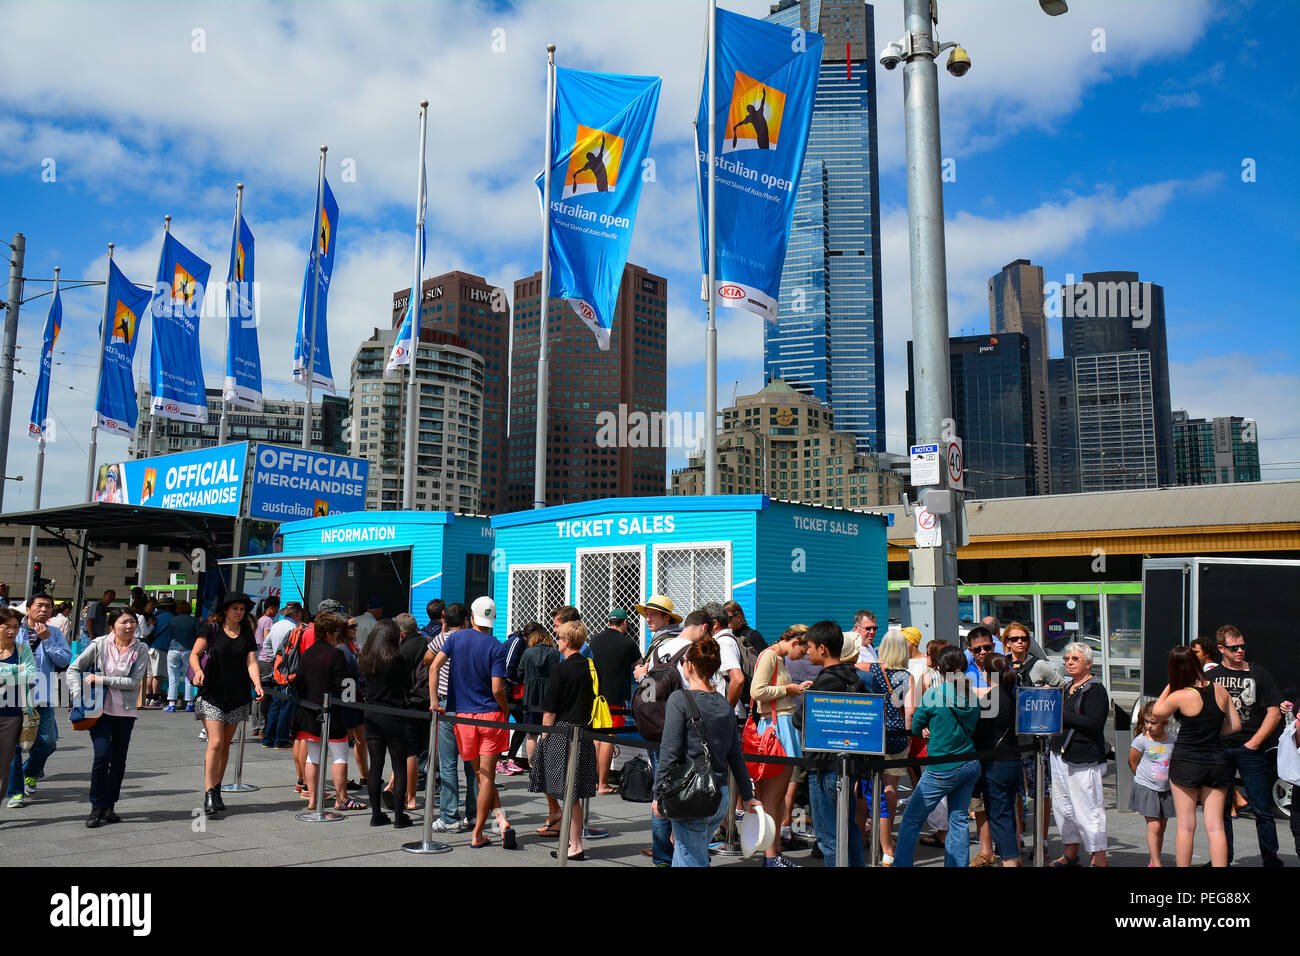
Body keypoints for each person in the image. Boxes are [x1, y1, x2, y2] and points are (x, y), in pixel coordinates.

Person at [652, 636, 762, 867]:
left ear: (689, 665)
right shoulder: (724, 703)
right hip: (720, 794)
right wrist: (748, 795)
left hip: (690, 793)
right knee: (691, 854)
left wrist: (658, 794)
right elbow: (735, 754)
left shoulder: (679, 699)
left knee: (690, 858)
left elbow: (669, 751)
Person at [428, 596, 514, 850]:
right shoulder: (497, 646)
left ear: (472, 617)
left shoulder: (455, 638)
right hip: (490, 716)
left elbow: (433, 667)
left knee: (479, 774)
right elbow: (498, 688)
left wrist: (434, 700)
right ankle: (479, 829)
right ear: (493, 619)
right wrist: (505, 709)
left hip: (462, 716)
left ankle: (500, 819)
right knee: (485, 777)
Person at [893, 646, 981, 867]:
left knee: (912, 819)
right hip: (969, 762)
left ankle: (901, 864)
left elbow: (916, 723)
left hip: (942, 766)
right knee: (959, 820)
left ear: (940, 668)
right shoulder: (971, 694)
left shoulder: (935, 693)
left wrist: (925, 728)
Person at [1153, 645, 1241, 867]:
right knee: (1216, 826)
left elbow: (1157, 712)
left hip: (1187, 761)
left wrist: (1172, 684)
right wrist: (1213, 732)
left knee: (1186, 825)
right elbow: (1236, 725)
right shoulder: (1220, 690)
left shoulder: (1181, 695)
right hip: (1216, 760)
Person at [1209, 624, 1284, 868]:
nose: (1240, 650)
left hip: (1250, 749)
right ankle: (1223, 859)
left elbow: (1274, 711)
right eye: (1234, 647)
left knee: (1262, 808)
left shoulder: (1258, 673)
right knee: (1221, 809)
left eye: (1242, 645)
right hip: (1220, 749)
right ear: (1221, 648)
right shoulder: (1212, 677)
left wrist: (1254, 743)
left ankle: (1271, 860)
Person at [66, 607, 148, 828]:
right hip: (98, 710)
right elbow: (73, 669)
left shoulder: (140, 648)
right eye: (124, 622)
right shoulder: (100, 644)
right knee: (102, 755)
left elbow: (134, 683)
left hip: (125, 712)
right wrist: (77, 694)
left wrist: (100, 679)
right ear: (112, 627)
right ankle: (96, 805)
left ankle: (109, 805)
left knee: (119, 759)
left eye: (132, 622)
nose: (129, 626)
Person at [529, 621, 600, 860]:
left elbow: (549, 709)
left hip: (563, 732)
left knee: (565, 791)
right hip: (584, 732)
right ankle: (574, 843)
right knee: (574, 794)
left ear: (567, 641)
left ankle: (574, 844)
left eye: (558, 638)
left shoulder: (561, 670)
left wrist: (544, 735)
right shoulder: (590, 666)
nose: (556, 641)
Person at [190, 592, 264, 816]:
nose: (240, 613)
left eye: (242, 609)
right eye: (235, 609)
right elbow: (194, 654)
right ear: (225, 610)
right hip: (212, 693)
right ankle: (209, 792)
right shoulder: (211, 630)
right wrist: (198, 671)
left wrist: (257, 684)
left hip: (238, 694)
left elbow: (251, 661)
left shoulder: (247, 634)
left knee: (225, 746)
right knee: (216, 742)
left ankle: (217, 788)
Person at [803, 621, 866, 865]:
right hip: (848, 764)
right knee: (848, 832)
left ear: (822, 649)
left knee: (829, 836)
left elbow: (803, 720)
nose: (807, 652)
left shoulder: (826, 680)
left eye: (809, 647)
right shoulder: (854, 675)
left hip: (824, 766)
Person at [750, 623, 811, 867]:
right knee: (772, 799)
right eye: (803, 650)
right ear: (795, 642)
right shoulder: (771, 657)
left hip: (777, 728)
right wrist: (788, 689)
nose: (804, 656)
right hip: (778, 730)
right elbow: (757, 691)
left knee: (771, 799)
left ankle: (772, 855)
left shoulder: (775, 657)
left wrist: (788, 691)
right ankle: (771, 857)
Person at [1047, 642, 1109, 867]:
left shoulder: (1095, 689)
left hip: (1083, 757)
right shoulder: (1067, 687)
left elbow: (1095, 723)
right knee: (1064, 808)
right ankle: (1070, 854)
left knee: (1089, 809)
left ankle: (1099, 858)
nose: (1069, 662)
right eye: (1067, 659)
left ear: (1088, 663)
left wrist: (1061, 714)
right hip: (1060, 753)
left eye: (1075, 659)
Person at [293, 612, 363, 812]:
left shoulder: (307, 653)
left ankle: (312, 799)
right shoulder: (336, 654)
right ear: (332, 633)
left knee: (312, 757)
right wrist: (351, 700)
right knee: (340, 755)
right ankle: (342, 800)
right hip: (331, 711)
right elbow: (343, 683)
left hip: (308, 711)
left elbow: (299, 682)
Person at [6, 592, 69, 806]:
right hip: (13, 694)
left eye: (48, 606)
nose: (44, 610)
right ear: (29, 608)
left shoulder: (54, 632)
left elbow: (64, 659)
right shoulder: (13, 628)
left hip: (43, 694)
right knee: (12, 746)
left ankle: (29, 772)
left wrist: (47, 641)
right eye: (40, 605)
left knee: (47, 741)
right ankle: (15, 792)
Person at [862, 631, 915, 864]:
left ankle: (869, 829)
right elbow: (911, 711)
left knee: (870, 786)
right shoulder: (907, 676)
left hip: (874, 734)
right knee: (890, 786)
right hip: (896, 735)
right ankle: (886, 833)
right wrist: (909, 735)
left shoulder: (870, 669)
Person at [425, 603, 478, 834]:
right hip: (469, 705)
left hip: (446, 704)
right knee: (472, 764)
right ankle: (473, 814)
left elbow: (428, 661)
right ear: (466, 620)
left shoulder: (442, 639)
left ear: (446, 619)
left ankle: (449, 816)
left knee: (448, 765)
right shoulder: (474, 638)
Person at [357, 618, 415, 829]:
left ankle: (376, 813)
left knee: (376, 766)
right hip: (394, 714)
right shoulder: (396, 658)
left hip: (372, 714)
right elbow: (407, 686)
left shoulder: (367, 657)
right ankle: (399, 816)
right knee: (399, 767)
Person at [974, 653, 1022, 867]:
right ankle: (1015, 857)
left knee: (999, 816)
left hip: (995, 764)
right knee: (1009, 812)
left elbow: (980, 733)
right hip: (1013, 760)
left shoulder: (990, 699)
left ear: (988, 673)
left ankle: (1010, 861)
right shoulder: (1013, 696)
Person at [587, 608, 640, 794]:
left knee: (595, 738)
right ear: (624, 623)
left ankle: (592, 781)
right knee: (608, 738)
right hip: (615, 697)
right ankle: (602, 784)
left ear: (609, 621)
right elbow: (639, 665)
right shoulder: (628, 643)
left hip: (595, 697)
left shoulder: (594, 640)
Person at [1128, 699, 1177, 867]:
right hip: (1147, 787)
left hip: (1165, 789)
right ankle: (1156, 863)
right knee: (1154, 826)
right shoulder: (1142, 740)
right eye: (1147, 721)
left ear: (1165, 722)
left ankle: (1153, 858)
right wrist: (1142, 778)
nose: (1149, 726)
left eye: (1153, 722)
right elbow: (1133, 761)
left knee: (1161, 826)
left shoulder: (1172, 740)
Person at [385, 612, 425, 812]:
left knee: (408, 752)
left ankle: (410, 797)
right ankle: (393, 785)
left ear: (401, 633)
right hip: (425, 704)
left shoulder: (403, 651)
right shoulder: (427, 642)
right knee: (414, 750)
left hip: (407, 702)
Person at [0, 608, 37, 820]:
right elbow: (21, 673)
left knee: (4, 766)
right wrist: (15, 671)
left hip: (12, 714)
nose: (12, 631)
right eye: (7, 627)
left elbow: (30, 674)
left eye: (16, 627)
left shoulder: (23, 649)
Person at [260, 602, 304, 749]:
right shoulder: (294, 629)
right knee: (286, 706)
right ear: (296, 614)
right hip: (290, 671)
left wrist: (276, 657)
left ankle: (268, 739)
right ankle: (281, 740)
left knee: (276, 705)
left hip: (277, 670)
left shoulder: (276, 625)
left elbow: (266, 646)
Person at [165, 600, 200, 713]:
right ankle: (189, 703)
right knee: (189, 677)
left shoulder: (173, 620)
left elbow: (169, 636)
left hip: (173, 649)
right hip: (189, 650)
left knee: (173, 678)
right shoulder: (195, 621)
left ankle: (171, 704)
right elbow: (198, 635)